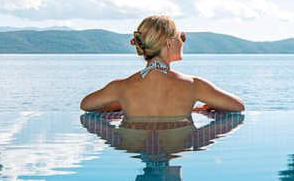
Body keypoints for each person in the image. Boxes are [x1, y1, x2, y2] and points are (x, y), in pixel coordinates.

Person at [80, 14, 245, 118]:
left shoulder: (121, 87)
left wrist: (124, 104)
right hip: (178, 144)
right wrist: (211, 106)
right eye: (182, 36)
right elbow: (238, 107)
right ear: (168, 43)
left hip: (133, 145)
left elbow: (86, 105)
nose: (183, 41)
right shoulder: (194, 85)